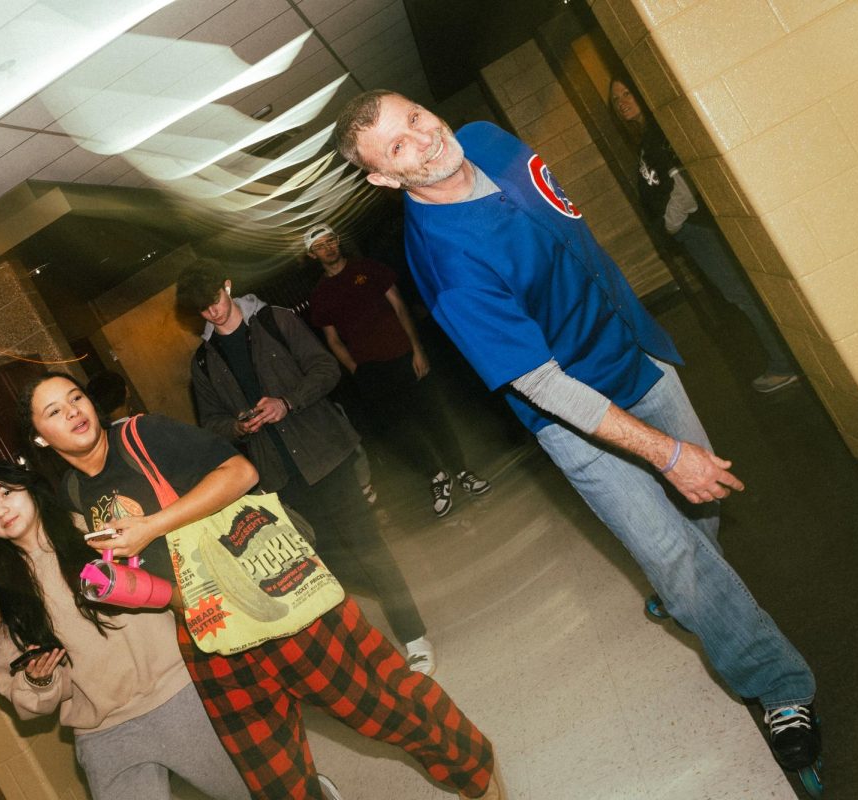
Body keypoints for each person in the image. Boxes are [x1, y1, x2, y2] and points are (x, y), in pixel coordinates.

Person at [333, 90, 821, 779]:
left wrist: (651, 373)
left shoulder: (490, 140)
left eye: (414, 117)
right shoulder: (447, 267)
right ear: (384, 177)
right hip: (575, 417)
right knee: (675, 554)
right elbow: (543, 384)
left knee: (698, 519)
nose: (423, 138)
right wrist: (665, 453)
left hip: (636, 356)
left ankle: (684, 590)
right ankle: (778, 686)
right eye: (397, 146)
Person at [18, 371, 503, 800]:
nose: (73, 412)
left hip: (273, 593)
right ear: (40, 438)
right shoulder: (75, 492)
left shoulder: (145, 434)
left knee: (380, 705)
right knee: (271, 777)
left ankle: (476, 773)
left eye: (76, 397)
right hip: (205, 632)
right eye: (54, 411)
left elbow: (240, 472)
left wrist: (152, 525)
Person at [177, 264, 438, 675]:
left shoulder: (275, 320)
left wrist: (287, 402)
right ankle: (367, 649)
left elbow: (326, 369)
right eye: (202, 310)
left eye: (214, 301)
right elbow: (210, 423)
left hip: (326, 457)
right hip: (278, 478)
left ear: (228, 285)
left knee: (369, 549)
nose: (212, 313)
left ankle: (413, 636)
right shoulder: (204, 363)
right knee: (324, 567)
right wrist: (238, 426)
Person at [0, 460, 252, 800]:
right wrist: (39, 680)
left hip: (176, 694)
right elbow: (24, 698)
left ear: (28, 487)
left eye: (6, 493)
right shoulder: (4, 595)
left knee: (253, 791)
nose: (1, 510)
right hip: (102, 730)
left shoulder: (92, 528)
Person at [609, 76, 798, 394]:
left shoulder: (658, 133)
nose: (623, 102)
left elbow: (685, 187)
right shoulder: (645, 140)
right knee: (741, 295)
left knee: (743, 296)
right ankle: (789, 358)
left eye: (628, 93)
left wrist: (671, 224)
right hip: (691, 232)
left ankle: (787, 363)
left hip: (697, 229)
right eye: (616, 100)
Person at [305, 222, 491, 518]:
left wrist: (417, 349)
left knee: (434, 416)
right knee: (399, 431)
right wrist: (357, 370)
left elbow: (400, 307)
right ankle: (436, 477)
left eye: (331, 241)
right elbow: (332, 341)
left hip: (404, 356)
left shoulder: (368, 268)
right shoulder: (321, 295)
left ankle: (462, 472)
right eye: (320, 246)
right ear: (312, 255)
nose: (329, 248)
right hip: (371, 371)